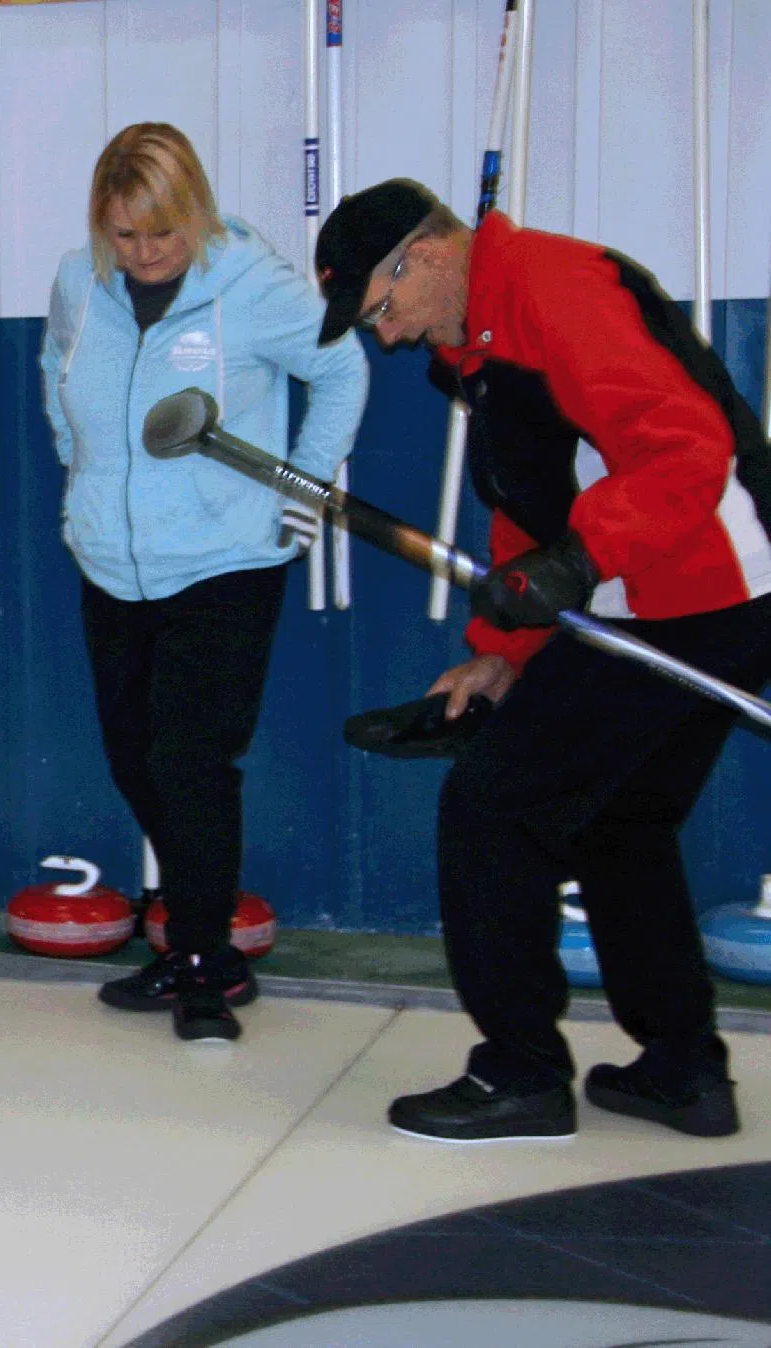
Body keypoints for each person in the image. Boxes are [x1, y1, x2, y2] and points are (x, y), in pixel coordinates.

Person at [314, 178, 771, 1141]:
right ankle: (685, 1071)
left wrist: (579, 561)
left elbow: (687, 449)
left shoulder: (556, 292)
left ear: (428, 255)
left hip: (694, 591)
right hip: (667, 592)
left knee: (493, 808)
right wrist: (503, 654)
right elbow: (531, 497)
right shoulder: (485, 339)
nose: (387, 338)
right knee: (617, 821)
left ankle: (519, 1074)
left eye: (383, 309)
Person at [41, 123, 368, 1043]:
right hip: (112, 560)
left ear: (195, 215)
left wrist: (299, 492)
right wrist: (79, 471)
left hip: (225, 561)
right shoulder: (80, 279)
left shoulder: (253, 287)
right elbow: (52, 365)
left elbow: (340, 371)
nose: (144, 256)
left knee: (190, 762)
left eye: (163, 235)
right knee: (134, 756)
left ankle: (198, 967)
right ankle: (205, 945)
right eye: (125, 235)